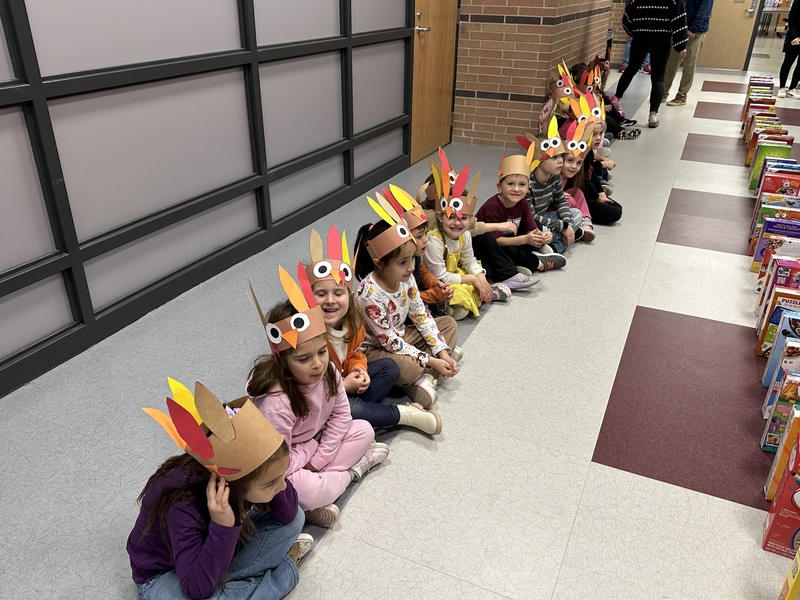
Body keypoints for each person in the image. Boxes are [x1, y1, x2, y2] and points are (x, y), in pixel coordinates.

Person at [128, 379, 312, 600]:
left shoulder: (235, 480)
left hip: (213, 546)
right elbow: (196, 590)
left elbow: (288, 513)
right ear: (234, 482)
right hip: (164, 573)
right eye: (271, 482)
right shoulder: (182, 504)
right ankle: (282, 574)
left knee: (295, 519)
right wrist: (223, 526)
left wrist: (273, 468)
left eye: (282, 476)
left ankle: (238, 581)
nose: (283, 485)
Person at [246, 269, 389, 529]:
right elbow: (279, 464)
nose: (318, 365)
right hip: (288, 462)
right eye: (303, 359)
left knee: (364, 430)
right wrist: (310, 452)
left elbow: (341, 415)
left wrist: (319, 458)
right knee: (300, 488)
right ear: (282, 360)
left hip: (313, 449)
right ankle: (350, 474)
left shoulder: (329, 370)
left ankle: (326, 488)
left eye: (322, 352)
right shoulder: (276, 405)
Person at [305, 225, 441, 435]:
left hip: (346, 383)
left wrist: (357, 368)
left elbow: (354, 353)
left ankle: (354, 420)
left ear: (347, 295)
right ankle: (403, 415)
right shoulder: (307, 335)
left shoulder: (351, 323)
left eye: (338, 293)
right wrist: (343, 386)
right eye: (321, 294)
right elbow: (307, 386)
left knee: (389, 368)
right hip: (322, 396)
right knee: (352, 408)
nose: (330, 301)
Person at [354, 194, 460, 410]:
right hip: (377, 350)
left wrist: (441, 351)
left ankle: (422, 377)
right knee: (404, 367)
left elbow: (421, 315)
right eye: (403, 262)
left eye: (412, 258)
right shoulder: (369, 294)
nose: (411, 267)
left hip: (402, 335)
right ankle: (420, 377)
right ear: (379, 263)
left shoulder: (406, 277)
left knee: (449, 323)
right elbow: (389, 342)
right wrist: (432, 360)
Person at [475, 154, 567, 275]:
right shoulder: (492, 207)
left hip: (512, 238)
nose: (516, 189)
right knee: (508, 250)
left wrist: (542, 235)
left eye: (522, 185)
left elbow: (531, 228)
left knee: (538, 225)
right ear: (499, 187)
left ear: (528, 187)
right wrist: (525, 239)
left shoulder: (523, 202)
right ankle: (538, 262)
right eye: (510, 184)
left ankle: (518, 262)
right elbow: (495, 241)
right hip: (490, 247)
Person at [613, 0, 688, 128]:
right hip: (662, 40)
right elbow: (679, 20)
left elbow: (627, 18)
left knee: (631, 69)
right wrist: (681, 45)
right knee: (658, 78)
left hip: (640, 38)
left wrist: (635, 32)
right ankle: (652, 115)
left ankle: (617, 100)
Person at [522, 115, 587, 253]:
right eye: (554, 157)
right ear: (538, 160)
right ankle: (558, 243)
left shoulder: (554, 176)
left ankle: (552, 247)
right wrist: (562, 227)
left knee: (576, 214)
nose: (560, 162)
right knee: (541, 229)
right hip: (531, 223)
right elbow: (531, 217)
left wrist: (567, 224)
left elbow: (561, 201)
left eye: (561, 157)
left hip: (545, 218)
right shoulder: (527, 182)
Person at [662, 0, 714, 106]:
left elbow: (704, 11)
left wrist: (693, 29)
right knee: (670, 64)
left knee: (689, 65)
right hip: (679, 29)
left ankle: (681, 96)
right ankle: (662, 93)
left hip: (695, 32)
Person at [779, 0, 800, 98]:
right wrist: (794, 35)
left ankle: (793, 88)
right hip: (794, 37)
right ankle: (782, 87)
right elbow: (791, 18)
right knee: (788, 61)